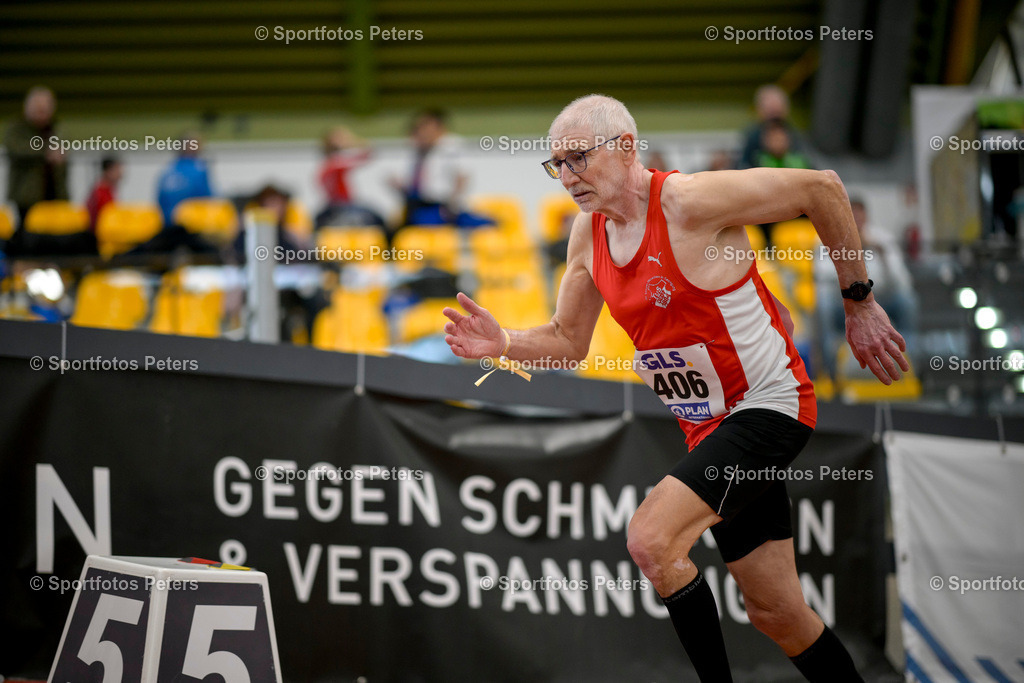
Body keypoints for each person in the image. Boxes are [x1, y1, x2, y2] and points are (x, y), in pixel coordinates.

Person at [443, 94, 907, 682]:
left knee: (651, 539)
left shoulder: (688, 202)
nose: (567, 177)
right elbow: (569, 339)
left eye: (578, 158)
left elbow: (823, 188)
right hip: (708, 428)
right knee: (776, 613)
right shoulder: (587, 237)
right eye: (555, 164)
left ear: (627, 147)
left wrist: (858, 301)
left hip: (770, 407)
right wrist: (503, 343)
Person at [816, 198, 918, 374]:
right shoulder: (827, 240)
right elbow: (822, 275)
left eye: (859, 215)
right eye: (851, 215)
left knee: (907, 301)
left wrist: (883, 255)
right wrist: (848, 257)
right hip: (844, 302)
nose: (856, 220)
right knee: (823, 304)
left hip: (882, 299)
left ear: (866, 216)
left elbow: (901, 280)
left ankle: (912, 362)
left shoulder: (883, 239)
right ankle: (830, 370)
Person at [392, 108, 491, 229]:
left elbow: (461, 178)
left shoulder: (452, 146)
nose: (422, 132)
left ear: (439, 127)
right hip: (421, 206)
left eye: (425, 127)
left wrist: (451, 206)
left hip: (443, 207)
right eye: (419, 128)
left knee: (488, 226)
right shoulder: (419, 150)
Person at [4, 86, 67, 226]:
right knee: (27, 234)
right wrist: (46, 152)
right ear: (28, 108)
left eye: (46, 110)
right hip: (26, 196)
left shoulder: (55, 127)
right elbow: (17, 150)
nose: (43, 115)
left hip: (54, 194)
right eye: (39, 110)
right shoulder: (17, 128)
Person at [315, 126, 385, 229]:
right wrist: (352, 141)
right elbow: (367, 154)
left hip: (342, 205)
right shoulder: (334, 164)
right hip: (340, 207)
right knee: (378, 220)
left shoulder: (332, 164)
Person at [739, 84, 804, 170]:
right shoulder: (752, 138)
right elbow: (743, 166)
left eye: (777, 113)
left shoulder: (796, 136)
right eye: (771, 113)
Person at [156, 131, 212, 226]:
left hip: (167, 225)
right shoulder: (199, 170)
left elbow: (160, 202)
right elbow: (208, 199)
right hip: (192, 226)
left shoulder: (168, 170)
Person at [86, 157, 122, 230]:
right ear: (108, 172)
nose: (120, 174)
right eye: (117, 170)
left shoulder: (110, 190)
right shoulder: (101, 192)